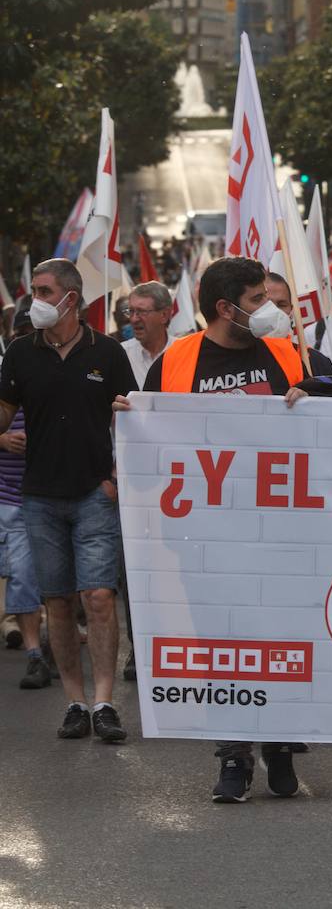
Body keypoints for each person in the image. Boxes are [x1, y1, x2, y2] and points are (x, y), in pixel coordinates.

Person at [126, 256, 311, 800]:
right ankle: (234, 757)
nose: (269, 308)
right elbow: (154, 440)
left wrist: (316, 397)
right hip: (205, 539)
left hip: (279, 535)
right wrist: (129, 420)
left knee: (278, 643)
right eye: (258, 299)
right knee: (221, 647)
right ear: (226, 308)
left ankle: (279, 745)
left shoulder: (286, 353)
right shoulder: (176, 360)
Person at [0, 259, 138, 741]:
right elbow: (3, 415)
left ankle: (104, 703)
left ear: (71, 299)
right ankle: (75, 703)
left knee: (98, 597)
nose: (34, 298)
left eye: (43, 290)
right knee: (57, 602)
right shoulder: (19, 353)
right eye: (34, 290)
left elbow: (135, 420)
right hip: (38, 498)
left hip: (93, 494)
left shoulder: (109, 352)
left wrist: (116, 477)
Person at [0, 298, 49, 689]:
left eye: (30, 333)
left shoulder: (59, 376)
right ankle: (35, 653)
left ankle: (51, 635)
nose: (25, 340)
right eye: (19, 333)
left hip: (51, 495)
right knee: (21, 575)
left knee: (48, 578)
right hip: (10, 500)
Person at [264, 272, 332, 376]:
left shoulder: (317, 362)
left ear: (291, 311)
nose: (275, 311)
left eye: (282, 305)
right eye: (267, 304)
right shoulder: (239, 360)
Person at [122, 281, 173, 388]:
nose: (134, 319)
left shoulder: (184, 353)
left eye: (141, 311)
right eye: (131, 311)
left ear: (164, 315)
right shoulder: (121, 354)